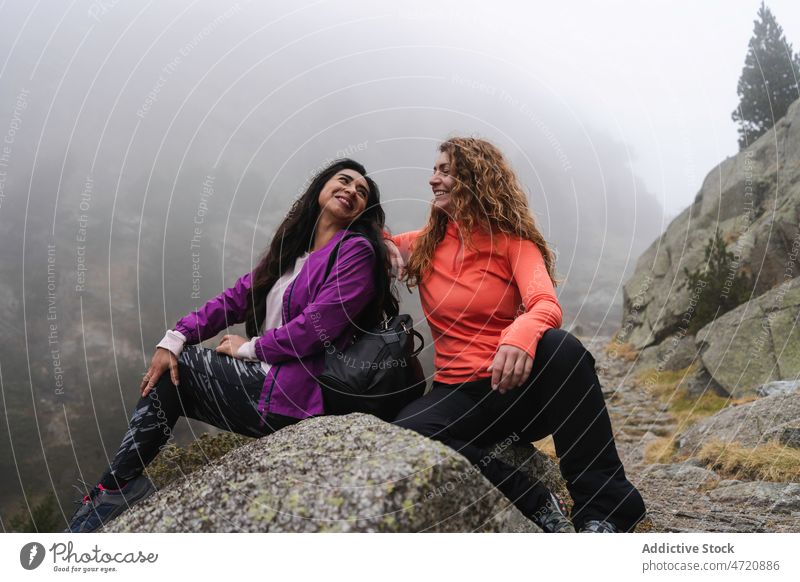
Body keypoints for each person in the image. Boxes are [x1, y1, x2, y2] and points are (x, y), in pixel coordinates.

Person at [65, 159, 396, 533]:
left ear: (364, 211)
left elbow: (318, 327)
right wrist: (174, 337)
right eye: (344, 180)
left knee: (185, 367)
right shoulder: (291, 254)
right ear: (321, 187)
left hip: (299, 395)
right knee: (172, 370)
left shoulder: (356, 251)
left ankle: (113, 490)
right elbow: (234, 299)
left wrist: (249, 348)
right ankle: (117, 487)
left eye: (362, 192)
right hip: (268, 386)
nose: (352, 190)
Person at [386, 137, 646, 533]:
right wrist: (381, 242)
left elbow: (545, 303)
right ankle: (535, 499)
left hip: (515, 390)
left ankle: (606, 513)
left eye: (444, 170)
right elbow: (365, 242)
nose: (433, 179)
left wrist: (519, 332)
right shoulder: (423, 244)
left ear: (474, 178)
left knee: (562, 348)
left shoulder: (514, 243)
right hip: (457, 395)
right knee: (408, 433)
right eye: (434, 170)